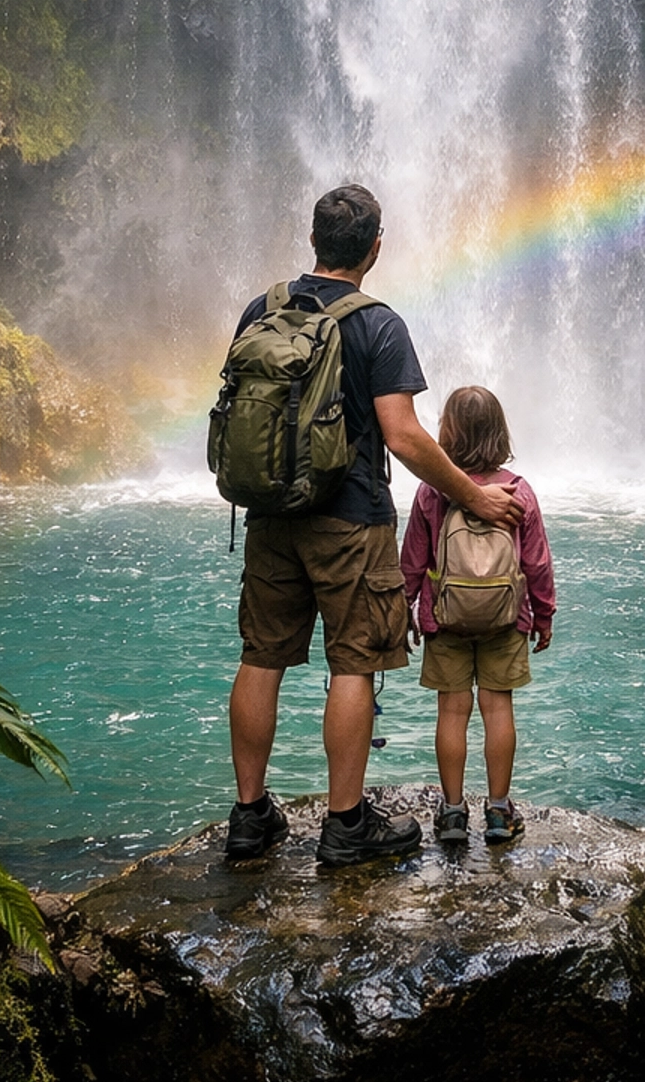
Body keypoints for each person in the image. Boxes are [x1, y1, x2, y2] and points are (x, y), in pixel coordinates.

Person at [224, 184, 525, 867]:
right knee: (353, 661)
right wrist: (473, 499)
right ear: (375, 248)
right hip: (350, 522)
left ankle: (249, 817)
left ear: (313, 241)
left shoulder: (261, 310)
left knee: (260, 656)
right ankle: (345, 823)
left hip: (270, 514)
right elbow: (403, 436)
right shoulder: (377, 323)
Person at [400, 383, 555, 846]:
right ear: (499, 431)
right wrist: (543, 616)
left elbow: (412, 559)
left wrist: (405, 609)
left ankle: (451, 813)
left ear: (446, 433)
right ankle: (500, 812)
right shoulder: (517, 491)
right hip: (505, 620)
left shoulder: (433, 491)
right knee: (497, 708)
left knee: (451, 710)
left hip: (446, 619)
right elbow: (537, 563)